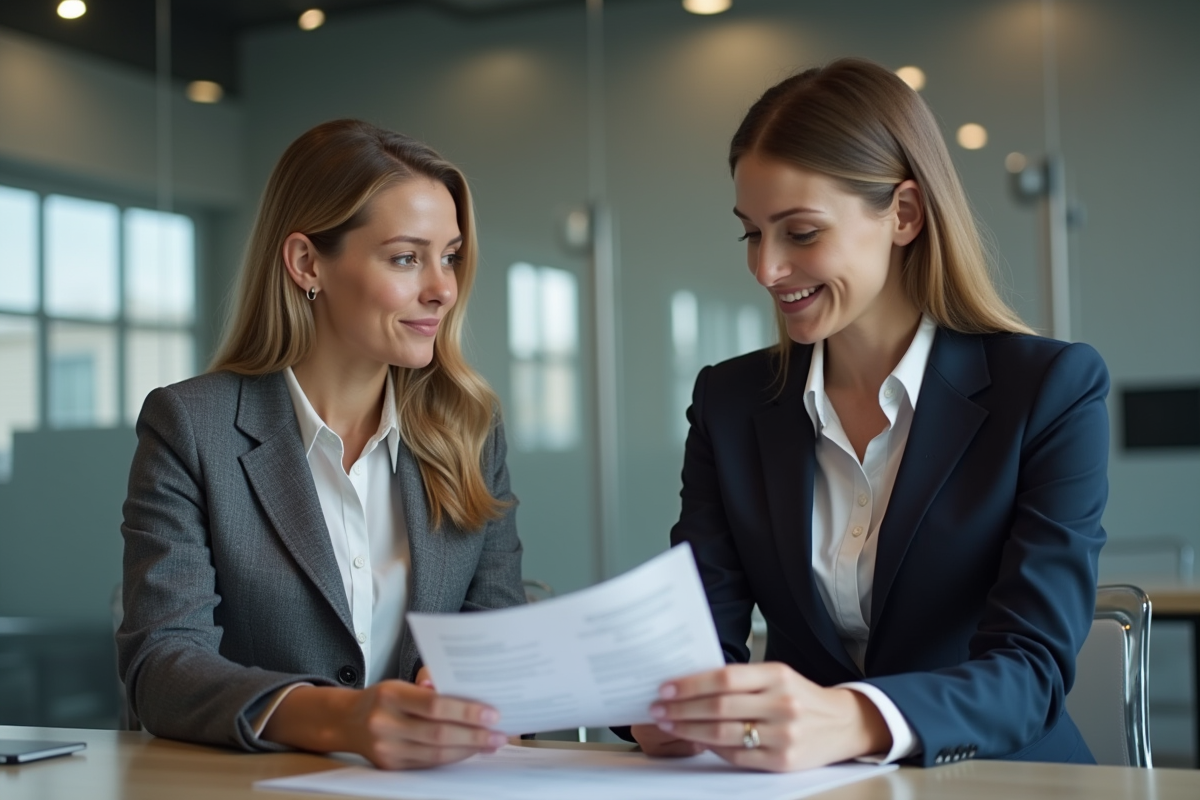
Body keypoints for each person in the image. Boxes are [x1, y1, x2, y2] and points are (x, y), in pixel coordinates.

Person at [630, 58, 1108, 771]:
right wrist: (663, 708)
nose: (765, 269)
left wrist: (854, 718)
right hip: (803, 783)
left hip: (1001, 778)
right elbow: (700, 637)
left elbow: (1030, 671)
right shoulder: (730, 404)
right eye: (751, 234)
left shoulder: (1048, 390)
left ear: (904, 215)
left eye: (799, 232)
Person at [116, 120, 524, 769]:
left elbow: (497, 632)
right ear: (308, 263)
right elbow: (162, 665)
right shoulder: (191, 426)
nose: (443, 288)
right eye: (406, 257)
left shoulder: (469, 429)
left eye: (449, 256)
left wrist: (482, 684)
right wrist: (342, 719)